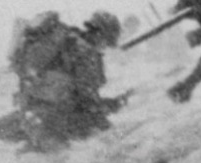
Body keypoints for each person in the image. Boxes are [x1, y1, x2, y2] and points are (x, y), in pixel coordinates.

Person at [8, 10, 126, 148]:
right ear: (101, 35)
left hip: (31, 110)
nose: (104, 46)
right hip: (55, 119)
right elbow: (88, 99)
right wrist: (115, 104)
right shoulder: (86, 52)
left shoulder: (67, 40)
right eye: (107, 42)